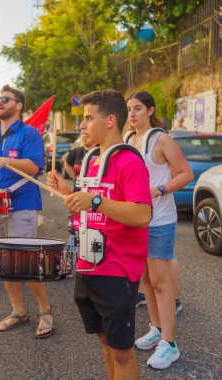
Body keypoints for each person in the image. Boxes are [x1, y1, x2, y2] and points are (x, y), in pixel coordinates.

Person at [47, 89, 152, 379]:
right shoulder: (93, 160)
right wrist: (68, 194)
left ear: (110, 120)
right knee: (105, 341)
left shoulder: (129, 162)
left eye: (88, 118)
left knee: (121, 351)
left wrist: (94, 200)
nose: (82, 125)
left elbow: (143, 215)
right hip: (88, 264)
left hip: (117, 269)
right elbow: (91, 212)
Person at [0, 85, 54, 339]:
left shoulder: (29, 134)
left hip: (22, 203)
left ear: (19, 105)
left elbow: (35, 166)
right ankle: (18, 311)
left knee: (26, 260)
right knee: (3, 261)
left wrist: (6, 161)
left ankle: (45, 310)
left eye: (6, 99)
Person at [126, 91, 193, 369]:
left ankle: (170, 344)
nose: (132, 114)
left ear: (150, 110)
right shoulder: (128, 140)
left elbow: (185, 173)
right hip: (137, 220)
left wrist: (162, 188)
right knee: (145, 281)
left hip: (160, 221)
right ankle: (155, 329)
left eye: (138, 108)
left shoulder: (161, 138)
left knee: (162, 283)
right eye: (129, 109)